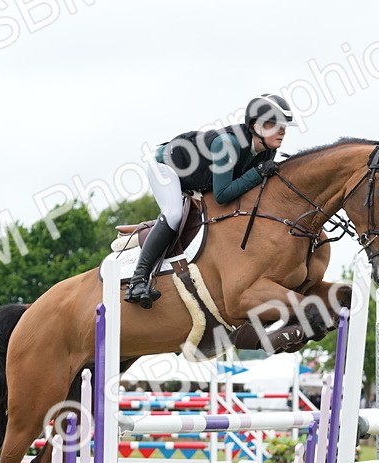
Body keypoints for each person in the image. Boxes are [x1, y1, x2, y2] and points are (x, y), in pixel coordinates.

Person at [125, 93, 294, 308]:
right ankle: (137, 280)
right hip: (165, 167)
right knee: (173, 214)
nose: (282, 131)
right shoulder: (228, 144)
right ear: (256, 126)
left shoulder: (267, 150)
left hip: (198, 175)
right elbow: (222, 194)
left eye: (284, 126)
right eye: (274, 125)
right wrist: (258, 172)